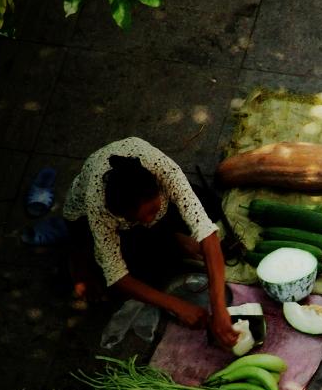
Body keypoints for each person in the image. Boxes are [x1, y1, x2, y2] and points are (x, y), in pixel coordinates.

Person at [62, 137, 238, 350]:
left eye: (152, 210)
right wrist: (176, 305)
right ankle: (77, 258)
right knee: (143, 272)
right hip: (101, 224)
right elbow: (117, 276)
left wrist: (219, 307)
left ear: (158, 187)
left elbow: (208, 236)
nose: (147, 221)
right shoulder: (100, 207)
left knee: (209, 206)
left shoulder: (163, 171)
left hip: (150, 211)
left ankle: (169, 236)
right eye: (137, 217)